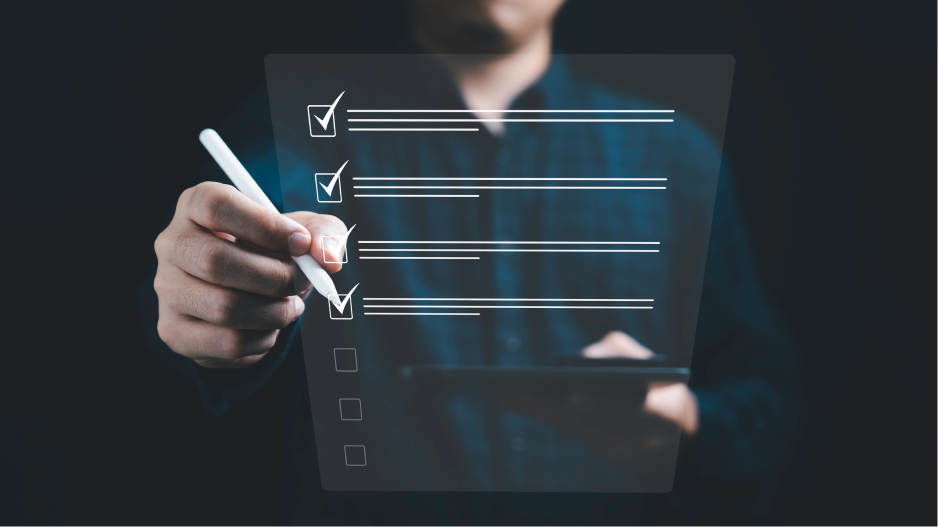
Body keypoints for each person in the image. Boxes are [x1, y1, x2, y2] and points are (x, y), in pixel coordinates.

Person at [140, 0, 797, 522]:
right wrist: (223, 282)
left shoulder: (675, 161)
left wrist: (684, 422)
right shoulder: (302, 123)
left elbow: (765, 393)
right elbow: (264, 202)